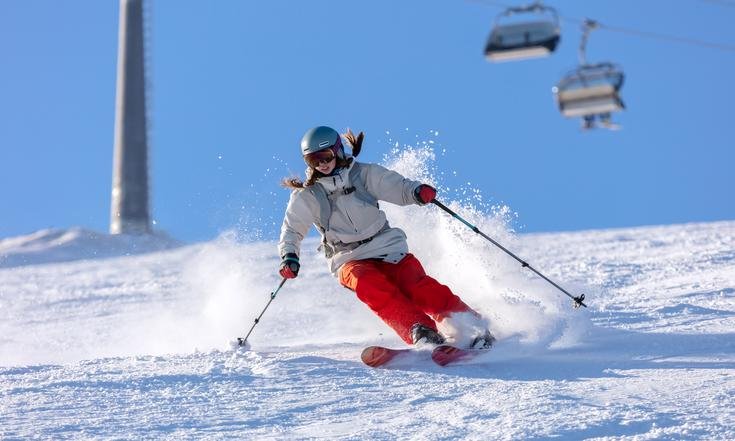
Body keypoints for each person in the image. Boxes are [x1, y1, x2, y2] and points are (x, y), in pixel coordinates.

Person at [278, 126, 494, 349]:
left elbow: (396, 187)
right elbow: (292, 230)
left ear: (338, 152)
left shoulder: (363, 174)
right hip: (347, 258)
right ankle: (420, 330)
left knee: (417, 285)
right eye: (314, 160)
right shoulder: (307, 195)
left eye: (326, 156)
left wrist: (416, 192)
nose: (321, 164)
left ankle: (471, 326)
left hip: (386, 246)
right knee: (369, 285)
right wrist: (289, 256)